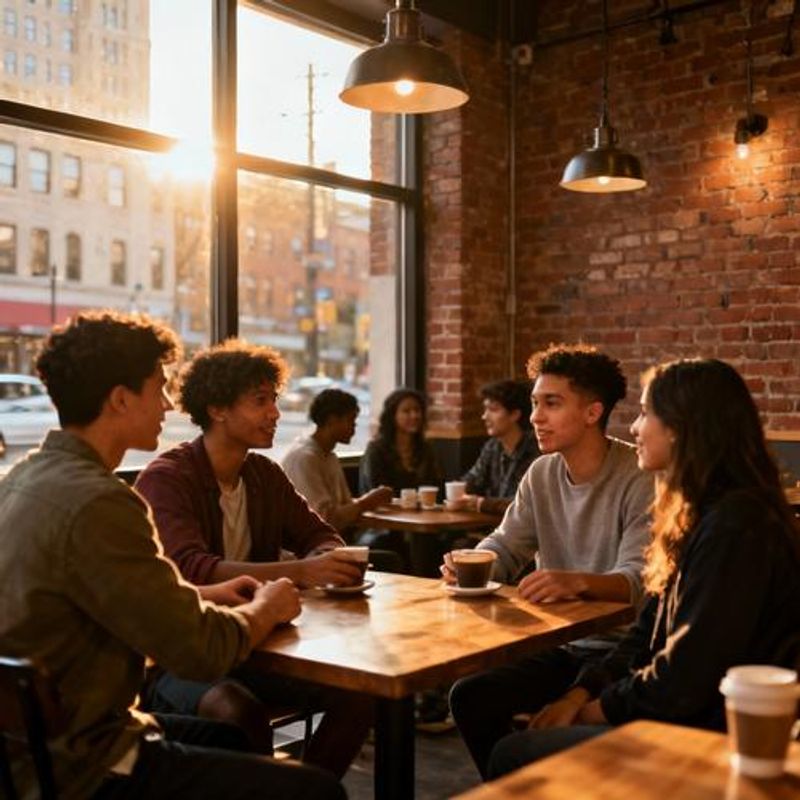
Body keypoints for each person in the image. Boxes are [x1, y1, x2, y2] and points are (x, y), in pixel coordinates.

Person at [0, 311, 344, 800]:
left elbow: (95, 597)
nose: (166, 404)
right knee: (317, 791)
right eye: (157, 388)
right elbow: (201, 651)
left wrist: (203, 592)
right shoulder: (102, 501)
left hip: (27, 749)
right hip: (83, 765)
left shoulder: (20, 480)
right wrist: (265, 608)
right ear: (120, 399)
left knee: (231, 738)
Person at [487, 358, 800, 779]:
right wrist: (578, 694)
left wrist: (589, 712)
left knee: (513, 754)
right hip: (674, 707)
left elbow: (684, 681)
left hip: (711, 735)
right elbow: (645, 633)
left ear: (682, 427)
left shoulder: (736, 526)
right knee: (484, 703)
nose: (634, 428)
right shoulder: (701, 515)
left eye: (646, 413)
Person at [134, 340, 370, 777]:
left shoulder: (264, 474)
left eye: (274, 400)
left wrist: (327, 558)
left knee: (361, 693)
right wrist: (301, 570)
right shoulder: (168, 478)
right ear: (218, 409)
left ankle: (302, 789)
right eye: (260, 401)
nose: (275, 413)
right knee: (237, 711)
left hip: (261, 645)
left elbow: (319, 534)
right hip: (180, 653)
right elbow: (191, 569)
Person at [446, 343, 654, 778]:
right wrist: (473, 561)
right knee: (469, 696)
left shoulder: (639, 476)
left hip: (622, 653)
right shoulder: (541, 473)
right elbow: (507, 543)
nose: (536, 417)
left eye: (551, 404)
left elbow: (640, 580)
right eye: (535, 403)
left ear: (593, 413)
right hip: (562, 645)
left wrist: (576, 581)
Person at [282, 388, 393, 532]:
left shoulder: (329, 456)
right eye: (351, 420)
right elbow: (325, 519)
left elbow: (343, 506)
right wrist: (367, 502)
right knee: (389, 553)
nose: (355, 427)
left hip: (327, 543)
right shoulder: (304, 458)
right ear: (331, 420)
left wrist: (371, 501)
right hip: (304, 550)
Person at [461, 379, 540, 515]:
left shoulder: (535, 449)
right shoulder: (493, 447)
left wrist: (483, 504)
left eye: (493, 409)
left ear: (515, 414)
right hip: (491, 529)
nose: (485, 416)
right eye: (485, 409)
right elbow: (472, 480)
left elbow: (524, 504)